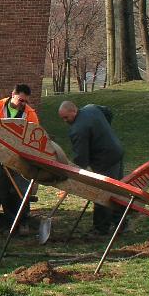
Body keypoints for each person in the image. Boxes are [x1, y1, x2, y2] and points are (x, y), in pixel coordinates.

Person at [0, 83, 39, 231]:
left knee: (20, 189)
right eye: (21, 100)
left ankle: (23, 220)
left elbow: (35, 135)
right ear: (13, 95)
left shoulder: (30, 114)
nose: (23, 104)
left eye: (26, 101)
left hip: (19, 158)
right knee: (3, 189)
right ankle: (10, 221)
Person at [58, 100, 126, 235]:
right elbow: (108, 112)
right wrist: (103, 130)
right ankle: (121, 224)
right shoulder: (92, 108)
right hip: (117, 152)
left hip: (105, 161)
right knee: (118, 191)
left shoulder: (77, 129)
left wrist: (73, 176)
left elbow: (81, 158)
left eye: (66, 117)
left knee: (102, 195)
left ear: (74, 111)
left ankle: (101, 228)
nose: (65, 121)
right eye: (62, 118)